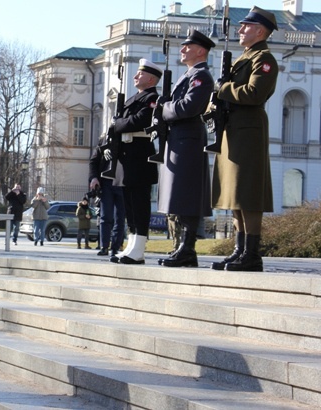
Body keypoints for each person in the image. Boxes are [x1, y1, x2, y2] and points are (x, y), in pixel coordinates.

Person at [210, 7, 279, 273]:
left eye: (246, 26)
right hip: (233, 130)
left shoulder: (264, 59)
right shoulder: (244, 58)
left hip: (249, 131)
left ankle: (251, 254)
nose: (240, 30)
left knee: (248, 194)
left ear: (260, 31)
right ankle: (239, 250)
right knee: (235, 195)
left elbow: (254, 93)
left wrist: (223, 88)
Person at [157, 29, 214, 268]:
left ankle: (188, 247)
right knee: (179, 195)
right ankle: (182, 246)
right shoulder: (189, 75)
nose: (183, 49)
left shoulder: (201, 76)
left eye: (187, 46)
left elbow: (189, 107)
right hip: (179, 139)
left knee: (188, 195)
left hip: (188, 140)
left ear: (200, 51)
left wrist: (164, 109)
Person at [109, 59, 161, 264]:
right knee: (129, 205)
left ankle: (138, 249)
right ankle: (131, 246)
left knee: (139, 204)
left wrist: (118, 124)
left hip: (140, 156)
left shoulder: (152, 98)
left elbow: (140, 121)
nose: (135, 77)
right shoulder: (133, 98)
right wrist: (119, 124)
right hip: (126, 155)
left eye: (140, 74)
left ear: (151, 79)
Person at [89, 137, 126, 260]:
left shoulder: (129, 139)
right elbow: (93, 161)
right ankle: (104, 247)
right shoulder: (104, 140)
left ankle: (115, 247)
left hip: (124, 184)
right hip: (107, 183)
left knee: (120, 218)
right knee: (106, 216)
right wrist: (94, 178)